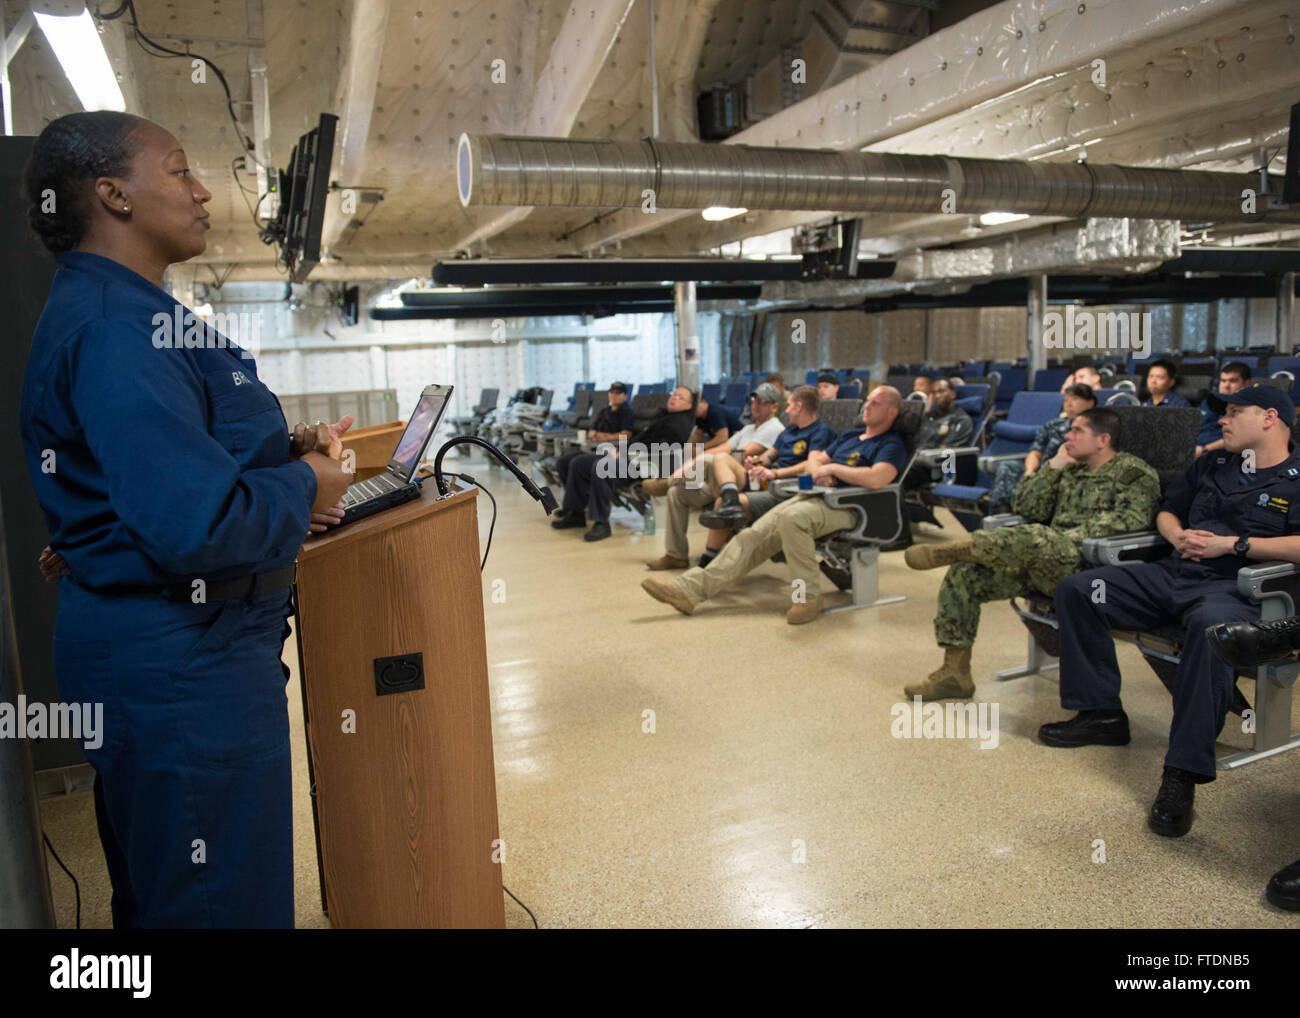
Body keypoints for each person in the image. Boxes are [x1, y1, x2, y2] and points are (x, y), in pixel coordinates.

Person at [19, 113, 353, 928]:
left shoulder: (129, 313)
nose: (203, 191)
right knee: (215, 907)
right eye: (178, 171)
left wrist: (278, 448)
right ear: (113, 195)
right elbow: (197, 524)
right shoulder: (117, 329)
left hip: (179, 653)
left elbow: (164, 465)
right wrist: (309, 481)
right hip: (182, 666)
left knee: (179, 895)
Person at [1040, 384, 1300, 837]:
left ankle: (1181, 773)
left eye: (1236, 412)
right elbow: (1169, 509)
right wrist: (1176, 533)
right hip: (1176, 574)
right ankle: (1101, 713)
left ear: (1270, 418)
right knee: (1082, 589)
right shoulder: (1214, 462)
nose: (1222, 419)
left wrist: (1234, 544)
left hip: (1238, 589)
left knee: (1210, 628)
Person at [903, 408, 1159, 700]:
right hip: (1043, 561)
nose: (1068, 436)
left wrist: (1063, 539)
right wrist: (1053, 466)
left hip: (1089, 570)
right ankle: (955, 674)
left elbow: (1132, 521)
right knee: (965, 574)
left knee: (1038, 538)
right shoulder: (1070, 468)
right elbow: (1026, 507)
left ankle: (964, 548)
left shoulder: (1132, 473)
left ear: (1103, 439)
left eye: (1077, 431)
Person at [640, 386, 907, 624]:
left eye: (875, 403)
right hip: (815, 495)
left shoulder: (890, 444)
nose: (867, 407)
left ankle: (807, 597)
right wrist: (820, 471)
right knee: (752, 534)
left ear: (892, 412)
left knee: (793, 520)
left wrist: (834, 469)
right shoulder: (851, 435)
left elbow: (877, 479)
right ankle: (689, 591)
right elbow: (815, 460)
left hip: (850, 506)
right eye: (867, 402)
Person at [677, 385, 838, 567]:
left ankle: (707, 559)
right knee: (721, 458)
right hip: (765, 479)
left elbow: (810, 465)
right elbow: (770, 455)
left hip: (788, 485)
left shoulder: (820, 431)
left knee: (720, 502)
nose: (786, 410)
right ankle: (731, 501)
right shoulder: (788, 432)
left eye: (790, 405)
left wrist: (775, 473)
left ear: (799, 407)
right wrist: (757, 464)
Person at [550, 385, 695, 541]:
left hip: (647, 465)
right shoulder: (663, 416)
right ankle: (575, 513)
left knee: (603, 467)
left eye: (680, 397)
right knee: (576, 462)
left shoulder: (681, 423)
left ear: (689, 405)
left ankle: (601, 523)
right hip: (631, 457)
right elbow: (641, 438)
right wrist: (621, 450)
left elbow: (661, 449)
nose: (674, 398)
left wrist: (626, 453)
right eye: (674, 394)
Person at [988, 384, 1097, 513]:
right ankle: (1001, 514)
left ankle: (1026, 511)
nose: (1068, 404)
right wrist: (1029, 472)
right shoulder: (1053, 425)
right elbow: (1035, 452)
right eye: (1066, 400)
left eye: (1074, 399)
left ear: (1090, 403)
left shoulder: (1095, 429)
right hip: (1043, 471)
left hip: (1066, 474)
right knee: (1007, 467)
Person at [552, 381, 635, 488]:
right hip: (592, 448)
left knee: (576, 463)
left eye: (618, 393)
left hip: (610, 451)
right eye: (612, 393)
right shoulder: (604, 411)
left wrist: (605, 437)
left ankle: (578, 496)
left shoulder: (627, 413)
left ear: (625, 396)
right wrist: (595, 435)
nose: (614, 396)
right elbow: (592, 431)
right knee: (562, 462)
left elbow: (626, 435)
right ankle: (575, 494)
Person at [1195, 361, 1251, 457]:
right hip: (1195, 450)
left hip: (1223, 454)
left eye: (1233, 381)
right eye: (1223, 381)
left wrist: (1204, 450)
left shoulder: (1250, 407)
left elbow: (1241, 438)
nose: (1226, 385)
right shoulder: (1209, 402)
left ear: (1247, 383)